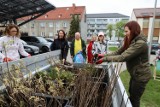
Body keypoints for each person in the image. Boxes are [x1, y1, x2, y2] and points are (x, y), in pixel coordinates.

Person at [96, 21, 152, 107]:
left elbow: (122, 57)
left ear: (133, 30)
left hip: (141, 75)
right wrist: (103, 55)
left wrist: (104, 59)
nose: (125, 34)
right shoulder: (131, 40)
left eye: (126, 31)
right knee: (131, 95)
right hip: (136, 73)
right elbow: (118, 52)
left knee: (134, 99)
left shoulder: (140, 44)